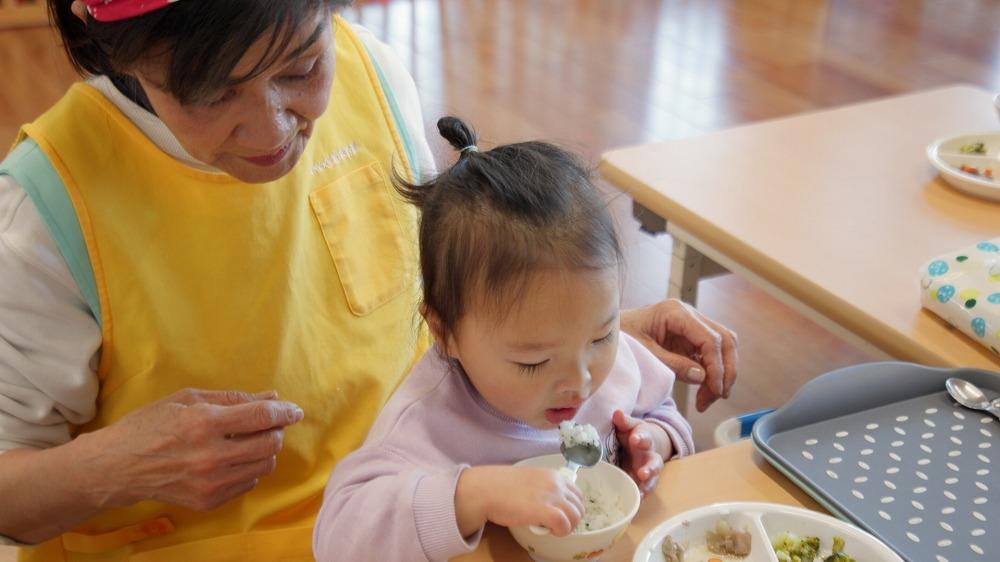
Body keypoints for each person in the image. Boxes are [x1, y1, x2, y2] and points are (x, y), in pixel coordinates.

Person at [0, 1, 737, 560]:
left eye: (298, 68)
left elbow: (445, 301)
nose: (271, 130)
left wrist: (577, 337)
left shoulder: (373, 74)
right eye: (212, 95)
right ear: (127, 55)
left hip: (437, 525)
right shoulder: (46, 209)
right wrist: (117, 467)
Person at [313, 117, 695, 561]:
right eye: (533, 363)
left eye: (602, 336)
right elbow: (337, 539)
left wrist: (652, 441)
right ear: (444, 334)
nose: (581, 381)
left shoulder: (614, 364)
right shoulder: (424, 425)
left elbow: (662, 408)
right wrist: (473, 495)